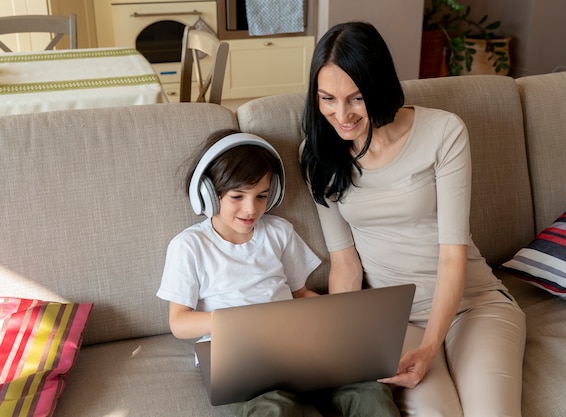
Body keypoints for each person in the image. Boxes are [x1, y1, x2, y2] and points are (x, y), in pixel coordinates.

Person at [300, 21, 527, 417]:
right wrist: (346, 342)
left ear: (379, 87)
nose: (341, 115)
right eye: (327, 99)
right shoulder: (318, 154)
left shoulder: (443, 132)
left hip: (474, 305)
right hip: (394, 319)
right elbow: (346, 263)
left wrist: (430, 347)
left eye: (356, 98)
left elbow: (452, 254)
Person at [157, 129, 400, 417]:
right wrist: (239, 322)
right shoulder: (189, 246)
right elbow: (179, 323)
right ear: (209, 195)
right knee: (273, 408)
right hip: (236, 356)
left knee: (367, 388)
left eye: (261, 196)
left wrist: (340, 315)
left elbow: (300, 294)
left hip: (294, 343)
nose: (251, 209)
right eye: (237, 196)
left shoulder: (278, 232)